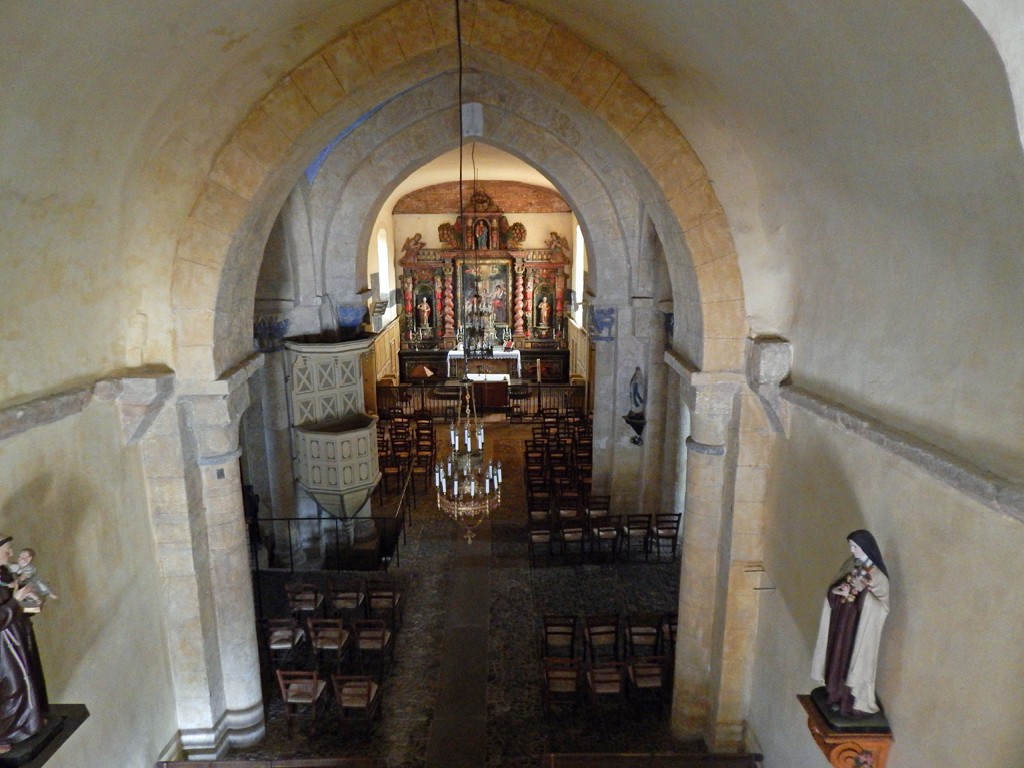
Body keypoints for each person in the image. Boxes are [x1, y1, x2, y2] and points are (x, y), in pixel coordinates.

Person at [811, 529, 890, 716]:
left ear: (866, 549)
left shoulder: (878, 576)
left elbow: (882, 607)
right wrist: (838, 592)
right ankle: (834, 695)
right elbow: (841, 585)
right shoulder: (854, 565)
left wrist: (861, 594)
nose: (853, 551)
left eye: (855, 547)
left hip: (858, 628)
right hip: (843, 622)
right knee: (837, 657)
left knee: (850, 661)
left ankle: (848, 701)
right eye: (852, 547)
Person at [0, 535, 45, 751]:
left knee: (26, 678)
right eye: (6, 550)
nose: (10, 554)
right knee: (11, 686)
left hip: (13, 637)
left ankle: (27, 724)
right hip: (2, 645)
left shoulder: (4, 573)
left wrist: (26, 599)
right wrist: (16, 602)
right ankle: (3, 735)